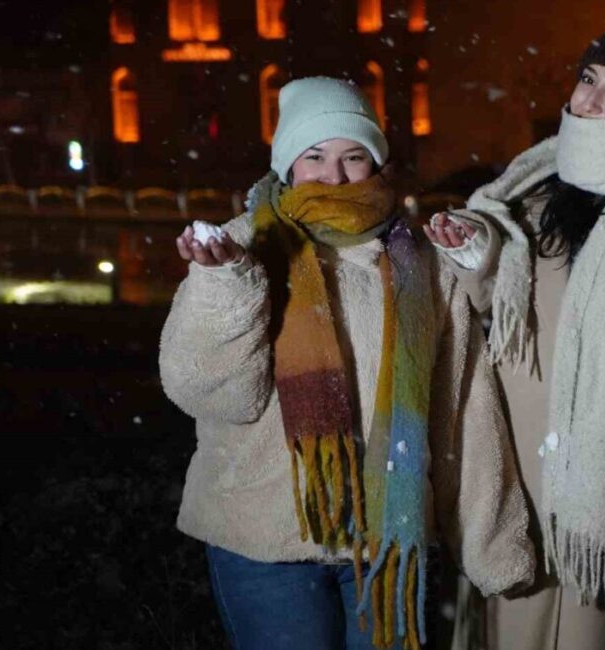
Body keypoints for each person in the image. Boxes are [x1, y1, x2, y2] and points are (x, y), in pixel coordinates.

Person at [159, 76, 534, 650]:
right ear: (288, 163)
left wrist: (493, 545)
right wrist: (226, 284)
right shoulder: (240, 246)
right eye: (314, 156)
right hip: (264, 542)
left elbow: (462, 410)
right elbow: (213, 394)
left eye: (353, 156)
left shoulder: (423, 264)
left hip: (388, 540)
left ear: (377, 163)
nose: (333, 176)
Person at [424, 16, 605, 650]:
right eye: (589, 78)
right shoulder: (521, 207)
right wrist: (476, 260)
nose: (589, 100)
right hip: (514, 491)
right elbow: (494, 322)